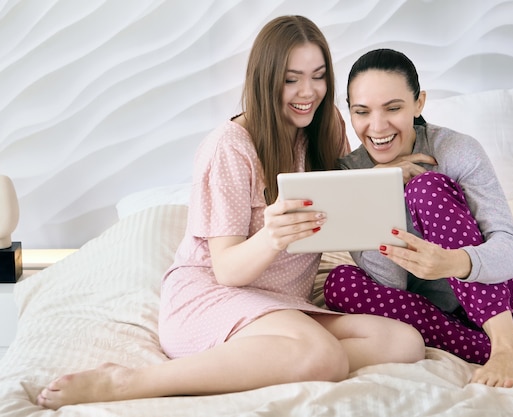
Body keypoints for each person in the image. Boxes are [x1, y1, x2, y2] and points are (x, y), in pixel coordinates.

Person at [36, 19, 424, 410]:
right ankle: (128, 381)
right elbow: (227, 270)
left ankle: (278, 358)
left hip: (282, 306)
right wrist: (272, 236)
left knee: (404, 342)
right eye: (292, 79)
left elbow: (341, 205)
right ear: (266, 79)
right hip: (215, 296)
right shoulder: (231, 147)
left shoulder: (327, 129)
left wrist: (379, 180)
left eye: (318, 77)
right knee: (322, 355)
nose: (308, 92)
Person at [324, 48, 513, 388]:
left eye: (393, 108)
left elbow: (510, 250)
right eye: (362, 111)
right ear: (350, 112)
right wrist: (378, 185)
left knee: (426, 187)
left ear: (419, 103)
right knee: (339, 284)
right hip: (448, 319)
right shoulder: (350, 174)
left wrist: (453, 262)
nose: (377, 126)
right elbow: (390, 287)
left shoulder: (455, 149)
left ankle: (508, 346)